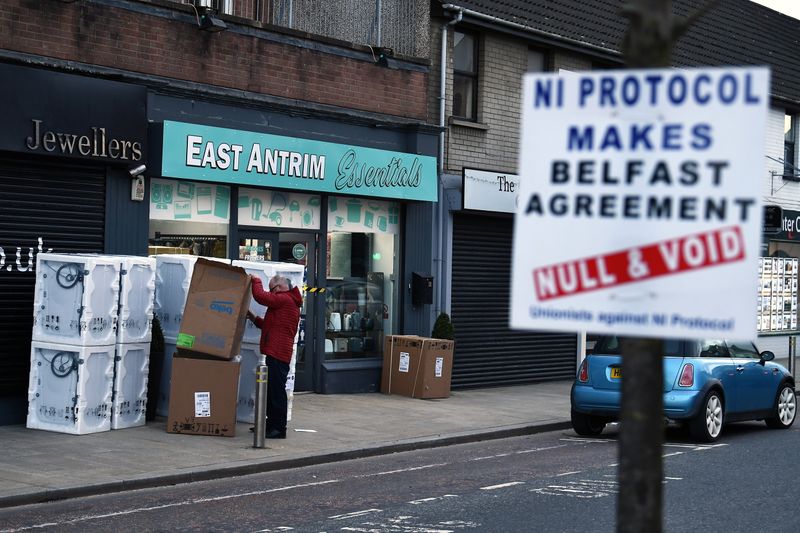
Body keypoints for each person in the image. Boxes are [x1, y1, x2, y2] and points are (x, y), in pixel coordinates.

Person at [246, 274, 303, 439]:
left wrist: (255, 280)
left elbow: (260, 296)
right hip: (276, 352)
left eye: (271, 289)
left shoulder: (285, 299)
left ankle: (278, 428)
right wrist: (254, 318)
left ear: (278, 287)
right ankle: (271, 425)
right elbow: (270, 326)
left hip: (278, 353)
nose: (271, 293)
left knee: (276, 392)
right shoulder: (286, 302)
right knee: (271, 391)